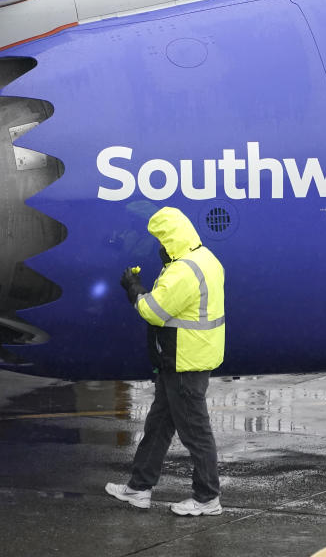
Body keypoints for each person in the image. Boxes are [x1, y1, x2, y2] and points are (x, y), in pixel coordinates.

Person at [106, 207, 226, 516]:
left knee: (196, 433)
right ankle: (138, 488)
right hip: (186, 360)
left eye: (161, 240)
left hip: (183, 362)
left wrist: (133, 287)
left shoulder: (183, 270)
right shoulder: (205, 259)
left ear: (171, 239)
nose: (159, 246)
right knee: (158, 426)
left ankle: (207, 498)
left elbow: (153, 310)